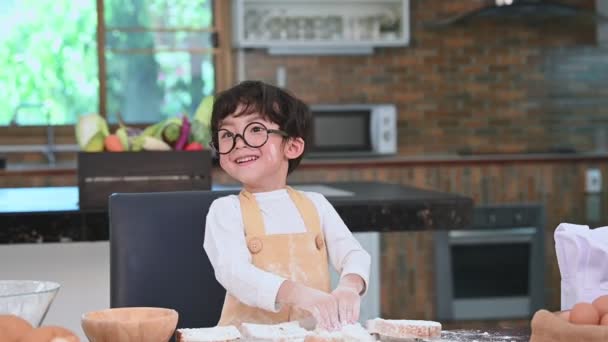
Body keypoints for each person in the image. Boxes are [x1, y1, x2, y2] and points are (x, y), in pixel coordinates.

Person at [203, 80, 371, 331]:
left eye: (255, 129)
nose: (238, 142)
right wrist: (301, 294)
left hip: (311, 335)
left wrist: (349, 286)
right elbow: (234, 273)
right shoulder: (225, 210)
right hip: (244, 337)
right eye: (227, 134)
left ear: (292, 146)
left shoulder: (316, 205)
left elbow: (353, 254)